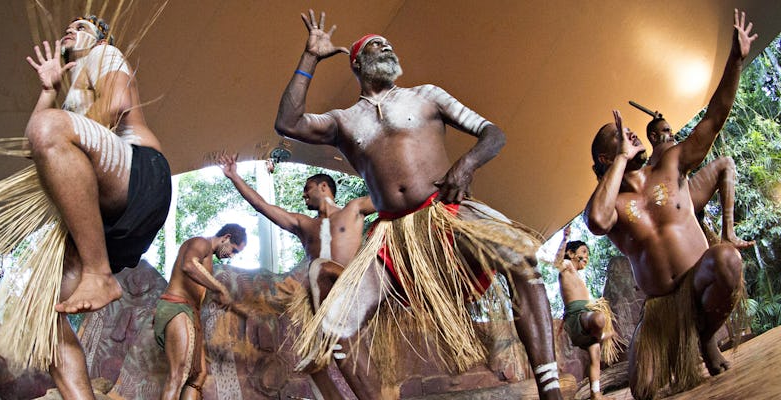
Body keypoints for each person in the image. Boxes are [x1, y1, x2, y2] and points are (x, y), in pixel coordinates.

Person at [274, 10, 561, 399]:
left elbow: (493, 133)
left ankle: (551, 389)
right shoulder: (343, 121)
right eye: (376, 44)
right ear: (356, 62)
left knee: (521, 258)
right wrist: (310, 57)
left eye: (388, 44)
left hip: (449, 214)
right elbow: (288, 123)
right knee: (334, 323)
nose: (387, 46)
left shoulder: (427, 95)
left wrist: (467, 164)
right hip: (392, 237)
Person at [584, 11, 756, 399]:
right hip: (662, 307)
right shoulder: (610, 204)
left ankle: (705, 339)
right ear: (604, 161)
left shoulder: (670, 164)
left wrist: (736, 60)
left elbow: (713, 119)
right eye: (618, 135)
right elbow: (596, 221)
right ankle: (676, 340)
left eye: (628, 130)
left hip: (699, 279)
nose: (629, 132)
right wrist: (621, 161)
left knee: (727, 259)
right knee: (642, 390)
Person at [23, 15, 171, 399]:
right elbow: (32, 148)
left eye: (82, 26)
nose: (70, 30)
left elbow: (117, 103)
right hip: (105, 221)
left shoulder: (105, 53)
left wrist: (63, 127)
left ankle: (98, 272)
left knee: (49, 130)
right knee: (44, 312)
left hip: (141, 176)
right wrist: (48, 90)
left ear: (101, 36)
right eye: (68, 27)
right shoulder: (72, 89)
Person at [218, 154, 390, 399]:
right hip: (324, 305)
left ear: (323, 187)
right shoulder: (303, 224)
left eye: (307, 188)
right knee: (313, 369)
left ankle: (328, 338)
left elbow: (394, 197)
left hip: (353, 289)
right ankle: (327, 344)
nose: (303, 194)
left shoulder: (354, 209)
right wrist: (234, 176)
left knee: (319, 266)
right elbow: (262, 206)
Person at [156, 224, 247, 400]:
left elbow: (199, 289)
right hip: (177, 307)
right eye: (234, 250)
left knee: (198, 375)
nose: (231, 256)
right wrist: (220, 288)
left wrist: (227, 302)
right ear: (226, 237)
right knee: (178, 375)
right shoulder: (201, 243)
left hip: (190, 312)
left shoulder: (209, 258)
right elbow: (188, 265)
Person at [644, 115, 751, 248]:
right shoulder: (659, 157)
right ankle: (728, 235)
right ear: (653, 137)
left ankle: (728, 235)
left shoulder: (661, 158)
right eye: (666, 131)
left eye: (671, 131)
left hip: (686, 201)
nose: (671, 134)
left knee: (726, 163)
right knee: (726, 163)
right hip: (675, 206)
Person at [554, 231, 619, 400]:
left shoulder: (578, 275)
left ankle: (595, 393)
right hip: (577, 317)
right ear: (571, 253)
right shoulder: (567, 266)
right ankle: (602, 334)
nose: (586, 256)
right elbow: (557, 262)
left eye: (588, 254)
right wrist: (564, 239)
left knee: (595, 357)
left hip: (585, 319)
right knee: (599, 318)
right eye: (583, 251)